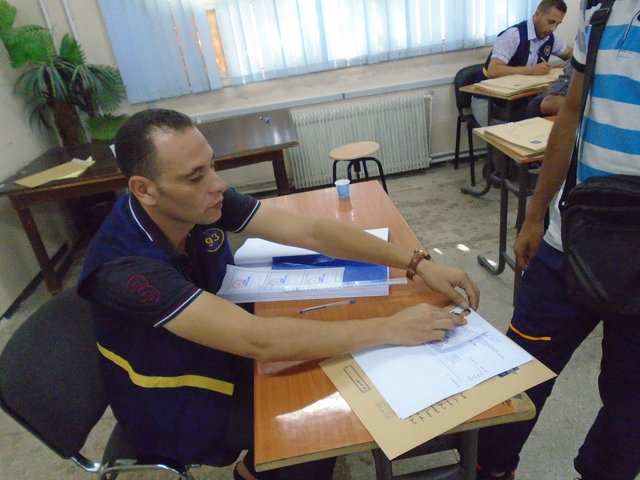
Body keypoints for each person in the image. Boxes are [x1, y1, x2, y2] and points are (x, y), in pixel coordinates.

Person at [77, 108, 479, 480]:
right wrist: (391, 327)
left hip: (219, 349)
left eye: (213, 165)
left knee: (329, 360)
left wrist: (416, 262)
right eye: (196, 176)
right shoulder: (125, 268)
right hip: (176, 399)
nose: (218, 184)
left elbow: (310, 231)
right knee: (317, 422)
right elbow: (259, 340)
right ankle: (259, 471)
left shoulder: (198, 201)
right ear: (144, 189)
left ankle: (261, 470)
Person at [475, 1, 640, 479]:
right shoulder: (603, 16)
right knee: (519, 371)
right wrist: (535, 215)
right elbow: (569, 114)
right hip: (570, 243)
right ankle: (491, 469)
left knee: (631, 400)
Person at [471, 0, 573, 125]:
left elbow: (572, 54)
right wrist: (532, 70)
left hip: (518, 101)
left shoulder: (550, 38)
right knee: (508, 133)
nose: (553, 28)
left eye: (558, 24)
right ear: (538, 14)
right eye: (550, 22)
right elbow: (493, 70)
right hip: (489, 101)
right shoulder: (513, 35)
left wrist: (565, 65)